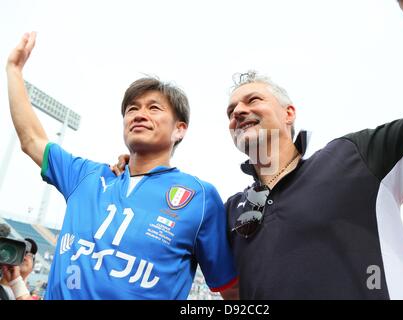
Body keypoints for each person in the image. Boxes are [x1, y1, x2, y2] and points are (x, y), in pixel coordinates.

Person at [223, 0, 403, 299]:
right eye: (230, 110)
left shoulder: (354, 156)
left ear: (289, 113)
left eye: (252, 100)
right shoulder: (229, 211)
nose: (238, 111)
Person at [5, 33, 237, 299]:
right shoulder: (87, 176)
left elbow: (229, 290)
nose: (139, 114)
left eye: (154, 108)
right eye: (132, 109)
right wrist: (14, 70)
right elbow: (32, 140)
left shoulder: (200, 197)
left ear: (180, 129)